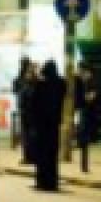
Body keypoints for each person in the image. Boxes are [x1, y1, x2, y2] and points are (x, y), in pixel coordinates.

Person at [30, 60, 66, 192]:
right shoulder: (61, 84)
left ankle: (42, 182)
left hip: (42, 126)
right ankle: (52, 182)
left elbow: (34, 103)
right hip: (54, 125)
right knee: (52, 154)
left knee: (41, 155)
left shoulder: (41, 85)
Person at [12, 58, 37, 164]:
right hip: (27, 111)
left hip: (28, 111)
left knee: (28, 135)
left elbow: (17, 91)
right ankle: (29, 157)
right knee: (28, 135)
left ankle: (29, 157)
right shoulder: (23, 79)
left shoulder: (24, 79)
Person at [73, 64, 97, 149]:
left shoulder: (87, 81)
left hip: (82, 106)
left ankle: (82, 141)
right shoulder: (79, 80)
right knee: (80, 124)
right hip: (81, 105)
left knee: (81, 124)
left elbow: (91, 94)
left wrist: (87, 98)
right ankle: (81, 140)